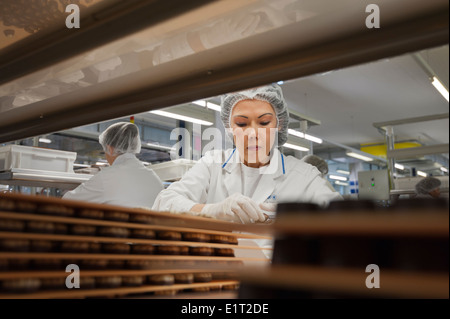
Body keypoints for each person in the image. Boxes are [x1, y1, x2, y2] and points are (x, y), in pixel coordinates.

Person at [152, 84, 342, 224]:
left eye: (264, 122)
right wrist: (213, 210)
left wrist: (296, 217)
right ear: (229, 127)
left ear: (279, 124)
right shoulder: (213, 164)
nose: (252, 133)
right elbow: (164, 202)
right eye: (242, 124)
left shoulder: (304, 176)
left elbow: (346, 221)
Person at [63, 122, 164, 208]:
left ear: (110, 149)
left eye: (104, 151)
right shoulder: (154, 178)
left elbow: (67, 202)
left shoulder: (106, 178)